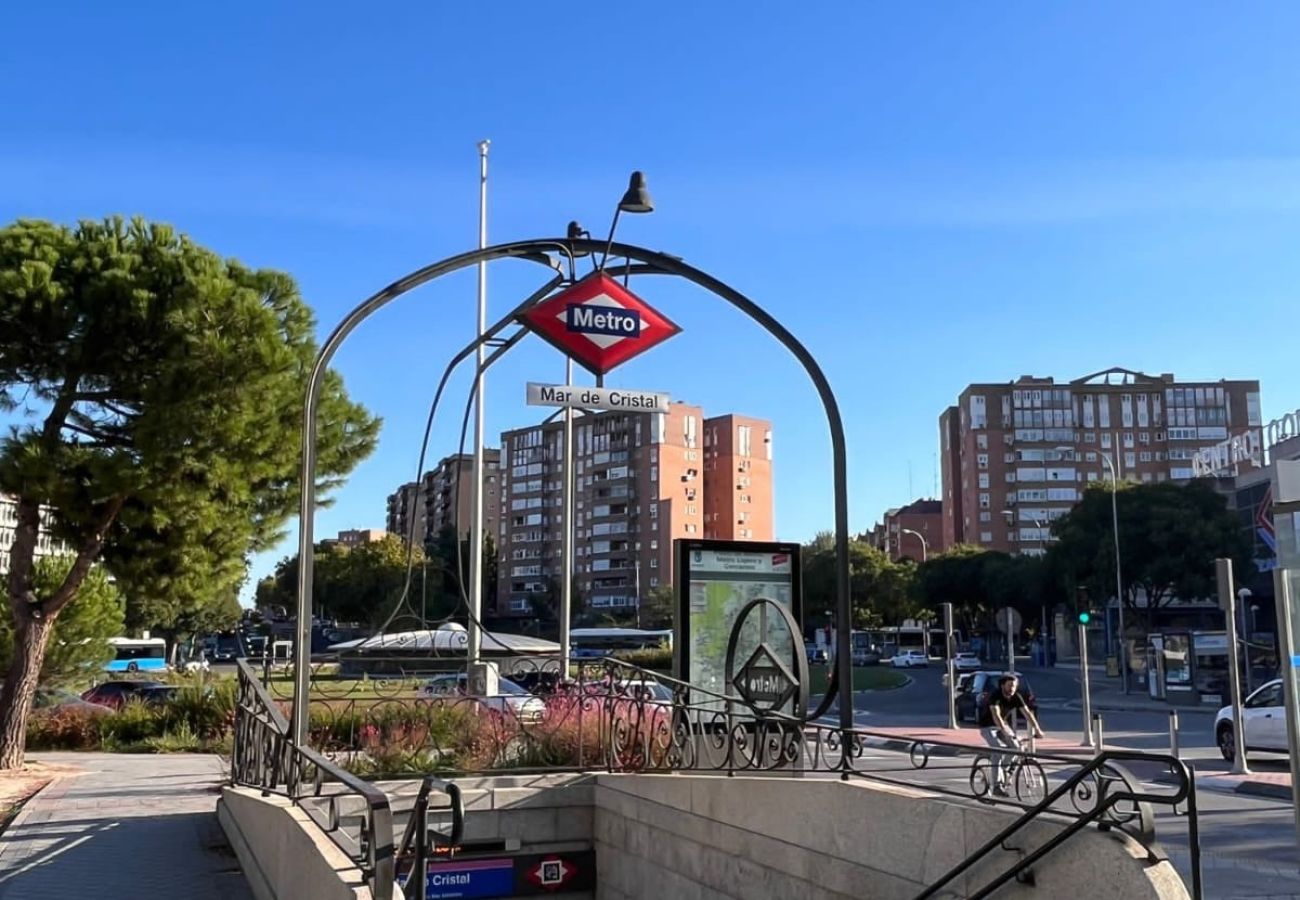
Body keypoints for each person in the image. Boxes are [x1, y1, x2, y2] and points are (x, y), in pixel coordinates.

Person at [979, 674, 1045, 796]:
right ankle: (996, 787)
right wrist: (1004, 731)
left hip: (1002, 725)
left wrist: (1037, 729)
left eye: (1014, 686)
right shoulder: (995, 696)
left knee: (1017, 748)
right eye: (1009, 686)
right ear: (1002, 685)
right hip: (988, 726)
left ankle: (1001, 771)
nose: (1012, 689)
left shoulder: (1016, 697)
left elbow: (1027, 713)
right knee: (997, 751)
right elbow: (996, 715)